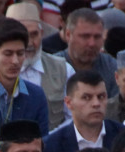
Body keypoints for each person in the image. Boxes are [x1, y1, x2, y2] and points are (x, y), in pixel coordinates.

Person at [40, 71, 125, 152]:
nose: (96, 104)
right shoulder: (50, 147)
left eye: (101, 97)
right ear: (68, 103)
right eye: (86, 97)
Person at [4, 2, 74, 132]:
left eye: (34, 34)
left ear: (41, 33)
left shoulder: (63, 69)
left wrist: (49, 139)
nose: (29, 43)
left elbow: (73, 117)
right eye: (22, 36)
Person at [59, 9, 119, 98]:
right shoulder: (53, 67)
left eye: (97, 37)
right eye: (85, 36)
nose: (92, 43)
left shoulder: (112, 67)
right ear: (68, 35)